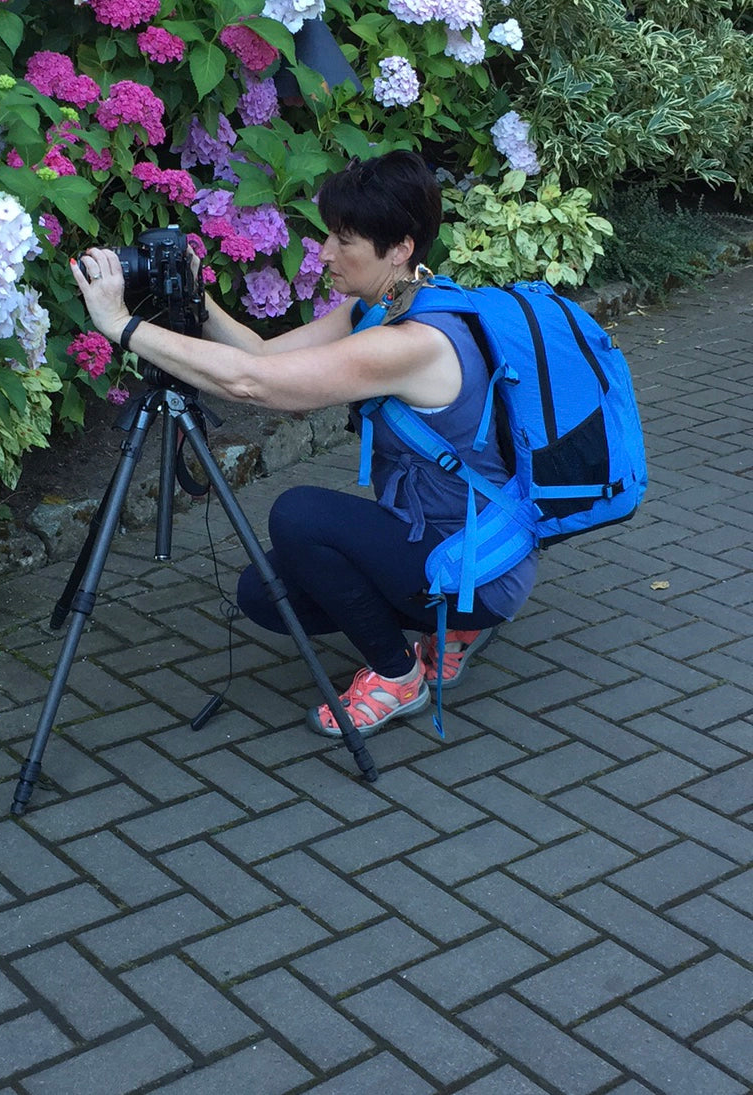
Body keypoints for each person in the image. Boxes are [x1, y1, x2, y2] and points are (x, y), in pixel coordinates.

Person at [71, 150, 536, 737]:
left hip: (477, 561)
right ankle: (445, 622)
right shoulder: (380, 308)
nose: (324, 253)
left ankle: (399, 676)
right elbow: (263, 354)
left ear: (401, 248)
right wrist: (197, 297)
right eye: (328, 235)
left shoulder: (414, 342)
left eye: (345, 241)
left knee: (301, 514)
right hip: (445, 539)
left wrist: (123, 328)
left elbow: (256, 385)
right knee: (263, 594)